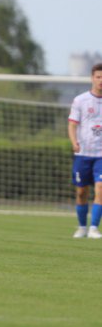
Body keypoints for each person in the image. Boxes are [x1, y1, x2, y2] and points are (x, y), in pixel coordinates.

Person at [69, 63, 102, 239]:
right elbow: (72, 124)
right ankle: (82, 227)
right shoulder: (80, 100)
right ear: (92, 78)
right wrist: (74, 142)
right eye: (98, 77)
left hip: (101, 156)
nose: (101, 80)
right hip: (83, 155)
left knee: (101, 189)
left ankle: (94, 228)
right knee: (81, 192)